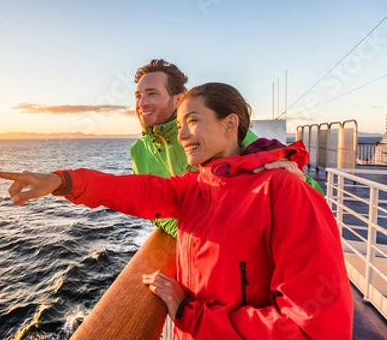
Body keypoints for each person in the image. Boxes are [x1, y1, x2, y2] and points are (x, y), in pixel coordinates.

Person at [0, 83, 353, 339]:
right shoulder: (197, 186)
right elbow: (133, 190)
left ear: (230, 125)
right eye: (178, 125)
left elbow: (314, 328)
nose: (181, 135)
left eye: (192, 121)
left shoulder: (282, 190)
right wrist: (61, 181)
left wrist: (187, 314)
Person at [130, 59, 323, 238]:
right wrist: (186, 233)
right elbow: (150, 206)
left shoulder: (216, 131)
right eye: (138, 96)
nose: (142, 103)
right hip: (198, 251)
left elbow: (309, 195)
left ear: (178, 99)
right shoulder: (138, 152)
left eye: (152, 93)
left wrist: (299, 180)